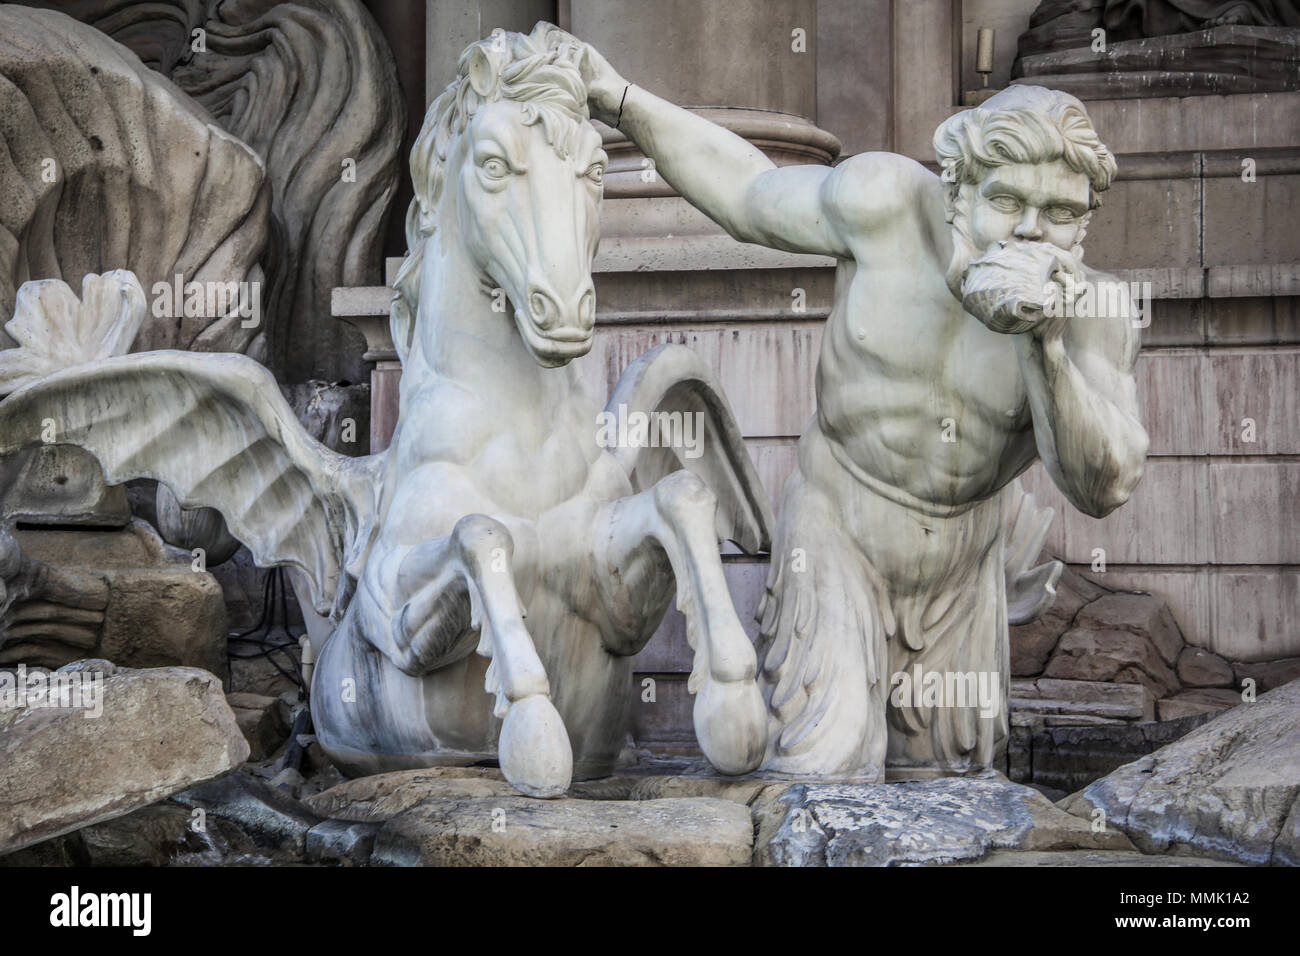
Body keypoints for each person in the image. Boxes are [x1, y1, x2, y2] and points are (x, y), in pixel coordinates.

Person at [567, 36, 1148, 778]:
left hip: (963, 564)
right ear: (960, 189)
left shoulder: (1096, 311)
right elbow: (746, 193)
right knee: (821, 771)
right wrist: (620, 98)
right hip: (837, 531)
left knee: (948, 791)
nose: (1032, 230)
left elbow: (1102, 486)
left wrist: (1045, 347)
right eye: (1006, 202)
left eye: (1059, 214)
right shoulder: (882, 206)